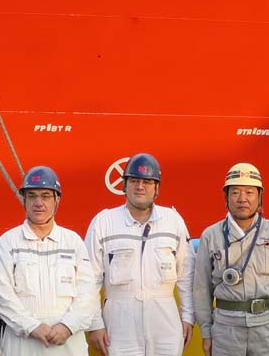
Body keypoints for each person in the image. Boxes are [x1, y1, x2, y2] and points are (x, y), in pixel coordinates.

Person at [84, 152, 195, 356]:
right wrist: (95, 324)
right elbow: (90, 279)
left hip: (165, 322)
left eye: (147, 181)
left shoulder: (173, 221)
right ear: (124, 185)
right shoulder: (104, 222)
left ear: (157, 188)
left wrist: (188, 316)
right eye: (134, 180)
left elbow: (186, 275)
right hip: (119, 323)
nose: (140, 186)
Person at [193, 163, 269, 356]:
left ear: (260, 196)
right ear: (225, 197)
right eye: (235, 192)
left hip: (268, 329)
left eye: (249, 192)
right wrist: (206, 333)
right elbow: (202, 288)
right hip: (226, 331)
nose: (242, 199)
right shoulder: (211, 236)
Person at [0, 166, 98, 356]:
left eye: (46, 196)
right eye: (32, 196)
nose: (38, 202)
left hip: (68, 344)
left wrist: (67, 326)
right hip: (23, 345)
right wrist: (32, 327)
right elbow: (2, 295)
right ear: (24, 199)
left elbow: (87, 294)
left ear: (57, 200)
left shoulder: (73, 242)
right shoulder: (7, 243)